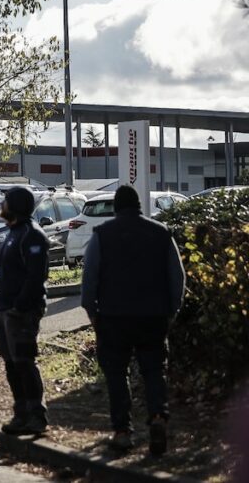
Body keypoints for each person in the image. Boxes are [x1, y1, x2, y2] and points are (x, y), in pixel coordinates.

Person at [81, 185, 185, 455]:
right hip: (153, 315)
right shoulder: (161, 233)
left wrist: (92, 312)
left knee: (116, 374)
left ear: (115, 207)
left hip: (113, 317)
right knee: (154, 370)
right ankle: (159, 418)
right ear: (139, 205)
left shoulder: (102, 235)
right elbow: (178, 276)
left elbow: (89, 279)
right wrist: (172, 310)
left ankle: (122, 431)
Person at [0, 187, 50, 435]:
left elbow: (37, 276)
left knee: (24, 362)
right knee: (11, 364)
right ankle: (21, 414)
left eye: (5, 200)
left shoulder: (31, 235)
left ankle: (37, 416)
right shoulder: (13, 233)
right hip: (4, 311)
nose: (1, 204)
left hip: (21, 313)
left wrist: (19, 306)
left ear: (14, 205)